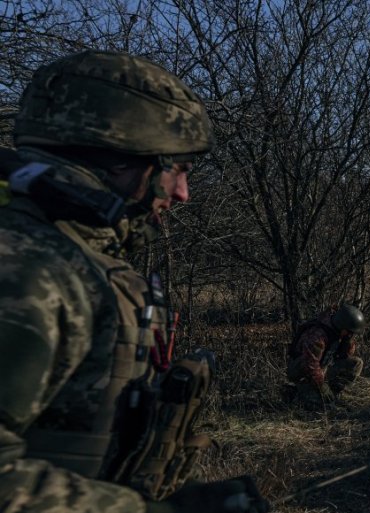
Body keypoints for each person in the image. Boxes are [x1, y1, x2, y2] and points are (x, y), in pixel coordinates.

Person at [0, 51, 267, 513]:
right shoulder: (27, 271)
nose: (182, 193)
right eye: (176, 169)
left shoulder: (73, 262)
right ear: (119, 163)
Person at [287, 304, 366, 410]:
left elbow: (345, 356)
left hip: (322, 368)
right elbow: (310, 365)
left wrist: (347, 341)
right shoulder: (317, 335)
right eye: (350, 332)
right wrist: (323, 387)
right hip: (303, 373)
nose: (351, 335)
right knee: (321, 407)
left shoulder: (338, 331)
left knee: (356, 363)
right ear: (343, 327)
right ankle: (297, 392)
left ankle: (332, 394)